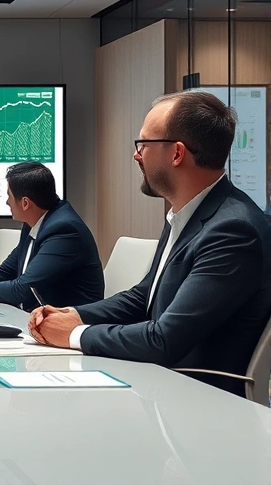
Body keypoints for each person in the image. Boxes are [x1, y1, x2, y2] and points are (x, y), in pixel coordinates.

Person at [29, 91, 271, 397]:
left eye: (143, 143)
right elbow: (144, 297)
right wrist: (74, 315)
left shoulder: (234, 230)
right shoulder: (187, 214)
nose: (136, 154)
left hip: (198, 400)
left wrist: (75, 334)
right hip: (159, 382)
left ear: (177, 154)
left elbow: (165, 340)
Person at [0, 161, 104, 310]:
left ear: (25, 203)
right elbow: (5, 271)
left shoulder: (64, 230)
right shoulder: (34, 222)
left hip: (65, 326)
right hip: (35, 318)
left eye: (9, 196)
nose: (7, 202)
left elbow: (22, 289)